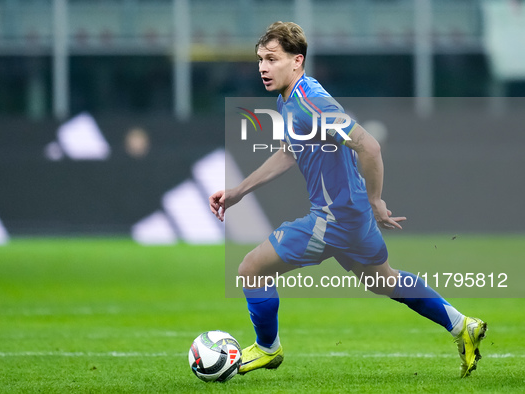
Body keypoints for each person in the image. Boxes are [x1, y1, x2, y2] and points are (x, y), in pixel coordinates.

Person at [209, 21, 487, 378]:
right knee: (385, 281)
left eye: (272, 59)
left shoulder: (310, 100)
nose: (263, 66)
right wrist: (237, 193)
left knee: (250, 269)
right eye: (261, 59)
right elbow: (288, 154)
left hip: (334, 217)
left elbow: (368, 145)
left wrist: (375, 199)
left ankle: (267, 349)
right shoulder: (291, 98)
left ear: (297, 61)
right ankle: (462, 325)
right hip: (350, 216)